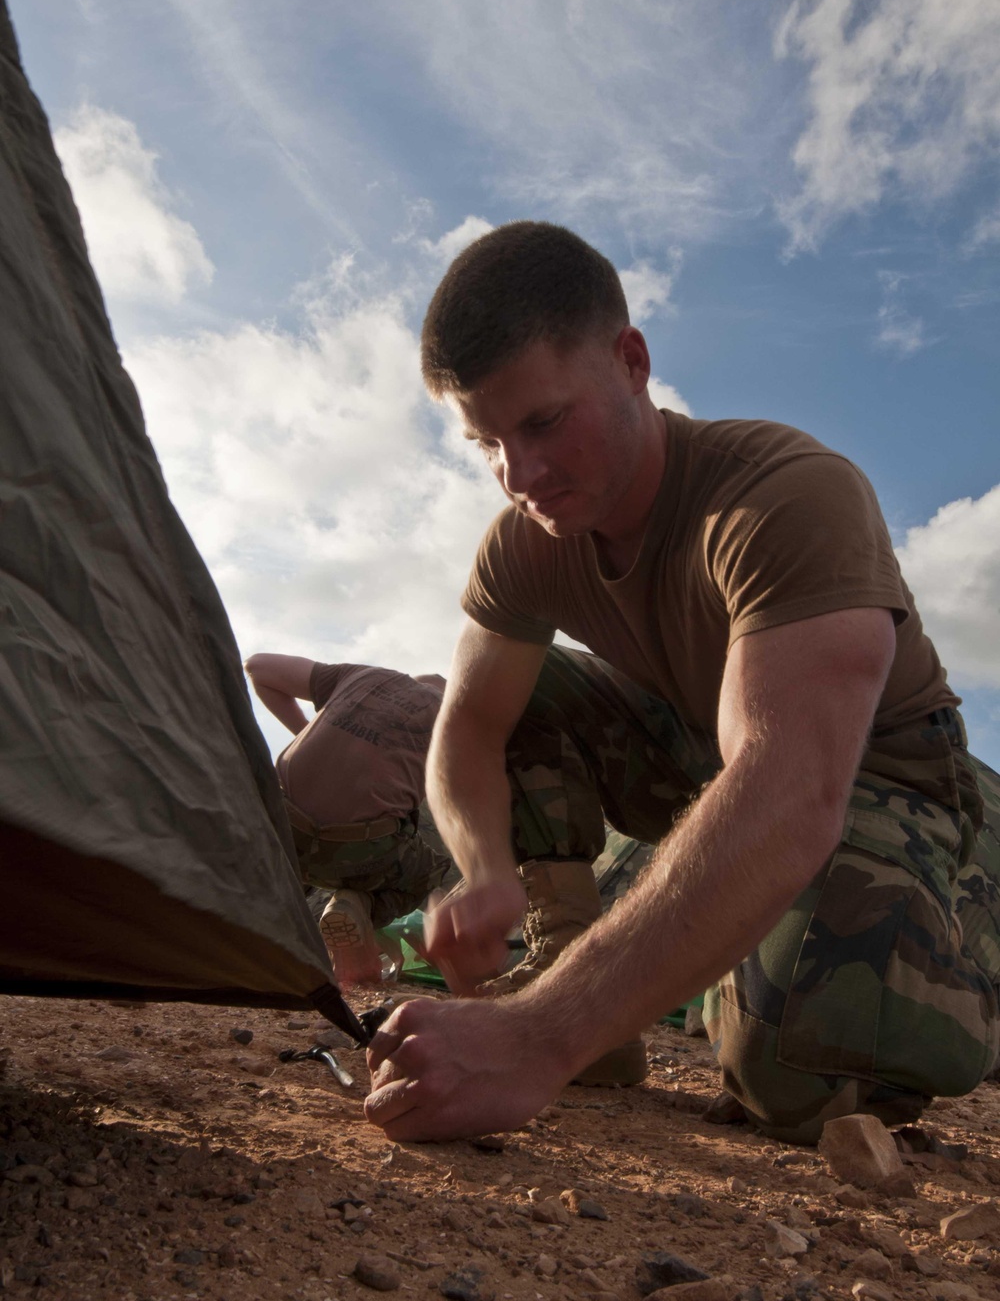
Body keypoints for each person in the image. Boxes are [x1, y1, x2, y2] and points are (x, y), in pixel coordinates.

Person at [363, 220, 1000, 1145]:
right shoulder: (527, 544)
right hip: (705, 749)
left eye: (543, 422)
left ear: (631, 361)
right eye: (486, 444)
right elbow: (466, 729)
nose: (520, 475)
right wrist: (486, 869)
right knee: (524, 696)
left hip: (882, 773)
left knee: (783, 1067)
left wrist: (536, 1038)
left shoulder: (787, 497)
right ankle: (567, 979)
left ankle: (967, 952)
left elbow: (787, 790)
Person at [244, 653, 456, 985]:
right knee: (434, 873)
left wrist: (304, 732)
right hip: (360, 847)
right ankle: (360, 905)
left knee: (278, 882)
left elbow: (258, 667)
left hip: (281, 828)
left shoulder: (361, 676)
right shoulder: (453, 715)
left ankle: (240, 948)